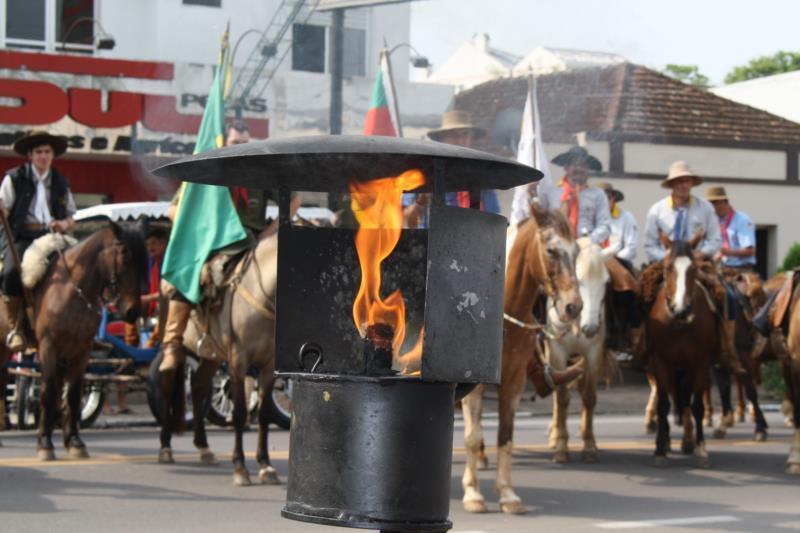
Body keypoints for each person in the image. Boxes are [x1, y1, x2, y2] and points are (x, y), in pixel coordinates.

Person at [160, 120, 274, 374]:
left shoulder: (260, 172)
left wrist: (269, 233)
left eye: (245, 143)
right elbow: (173, 209)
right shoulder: (208, 172)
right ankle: (172, 343)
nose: (240, 148)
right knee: (190, 273)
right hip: (216, 243)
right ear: (224, 142)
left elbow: (294, 200)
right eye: (235, 143)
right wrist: (199, 228)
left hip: (253, 242)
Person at [639, 161, 744, 374]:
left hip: (697, 262)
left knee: (728, 296)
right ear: (671, 185)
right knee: (640, 293)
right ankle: (639, 346)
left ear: (692, 183)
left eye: (686, 180)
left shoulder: (705, 208)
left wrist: (699, 254)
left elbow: (715, 239)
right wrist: (667, 258)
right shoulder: (657, 210)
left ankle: (727, 349)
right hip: (665, 264)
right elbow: (649, 244)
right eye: (679, 181)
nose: (683, 185)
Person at [0, 131, 77, 351]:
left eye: (47, 152)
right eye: (39, 152)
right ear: (30, 155)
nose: (43, 156)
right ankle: (15, 328)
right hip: (21, 236)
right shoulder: (14, 177)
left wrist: (64, 224)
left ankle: (73, 323)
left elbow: (72, 215)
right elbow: (4, 211)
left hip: (52, 238)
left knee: (78, 268)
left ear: (52, 155)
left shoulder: (61, 182)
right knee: (11, 272)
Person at [403, 110, 500, 228]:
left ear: (471, 139)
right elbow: (408, 221)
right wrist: (421, 201)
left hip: (474, 242)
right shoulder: (422, 173)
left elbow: (494, 222)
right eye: (454, 135)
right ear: (441, 139)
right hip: (433, 243)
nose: (461, 141)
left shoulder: (482, 176)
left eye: (465, 134)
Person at [537, 146, 611, 244]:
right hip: (556, 247)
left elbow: (605, 225)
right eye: (575, 164)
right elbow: (540, 220)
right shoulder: (551, 192)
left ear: (588, 169)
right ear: (566, 168)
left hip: (587, 248)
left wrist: (589, 241)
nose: (579, 168)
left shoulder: (598, 194)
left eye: (583, 165)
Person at [705, 186, 757, 271]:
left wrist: (725, 252)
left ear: (722, 202)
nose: (709, 207)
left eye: (712, 203)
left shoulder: (743, 220)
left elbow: (750, 251)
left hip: (741, 269)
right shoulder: (711, 222)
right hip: (718, 268)